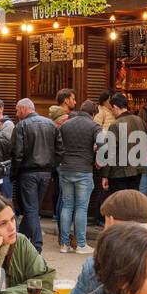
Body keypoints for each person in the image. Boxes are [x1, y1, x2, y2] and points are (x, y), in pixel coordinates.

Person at [10, 97, 58, 252]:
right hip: (45, 173)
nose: (16, 114)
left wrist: (14, 174)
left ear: (24, 108)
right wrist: (52, 166)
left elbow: (17, 153)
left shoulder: (22, 126)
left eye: (17, 110)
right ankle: (21, 237)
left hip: (28, 172)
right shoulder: (51, 124)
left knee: (31, 209)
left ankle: (37, 245)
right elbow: (60, 150)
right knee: (33, 208)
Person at [57, 98, 101, 254]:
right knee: (81, 208)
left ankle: (64, 244)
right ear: (93, 113)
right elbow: (102, 143)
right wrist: (98, 158)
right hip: (83, 170)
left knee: (67, 205)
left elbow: (58, 144)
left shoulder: (66, 124)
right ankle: (81, 244)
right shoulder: (94, 126)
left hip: (66, 168)